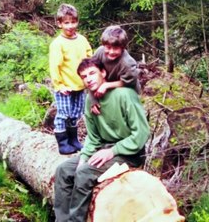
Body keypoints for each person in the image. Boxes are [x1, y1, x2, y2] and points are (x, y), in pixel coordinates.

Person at [53, 58, 150, 222]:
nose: (88, 79)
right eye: (84, 76)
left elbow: (141, 134)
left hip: (129, 153)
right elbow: (93, 137)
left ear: (103, 73)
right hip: (104, 149)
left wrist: (113, 151)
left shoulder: (125, 95)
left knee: (84, 174)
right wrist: (83, 158)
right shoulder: (90, 100)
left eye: (92, 73)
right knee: (64, 170)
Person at [49, 3, 93, 155]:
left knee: (76, 114)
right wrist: (59, 85)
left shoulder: (81, 39)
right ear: (59, 23)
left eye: (73, 22)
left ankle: (74, 140)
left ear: (77, 22)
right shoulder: (58, 44)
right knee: (63, 114)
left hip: (80, 86)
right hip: (65, 88)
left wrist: (90, 77)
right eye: (66, 23)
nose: (70, 26)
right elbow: (55, 66)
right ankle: (63, 143)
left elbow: (89, 57)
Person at [90, 25, 140, 115]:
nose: (111, 52)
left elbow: (128, 82)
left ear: (123, 47)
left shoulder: (127, 63)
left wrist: (106, 85)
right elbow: (91, 75)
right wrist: (93, 100)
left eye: (116, 48)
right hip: (106, 89)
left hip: (127, 92)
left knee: (123, 115)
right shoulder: (99, 53)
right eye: (108, 47)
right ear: (103, 45)